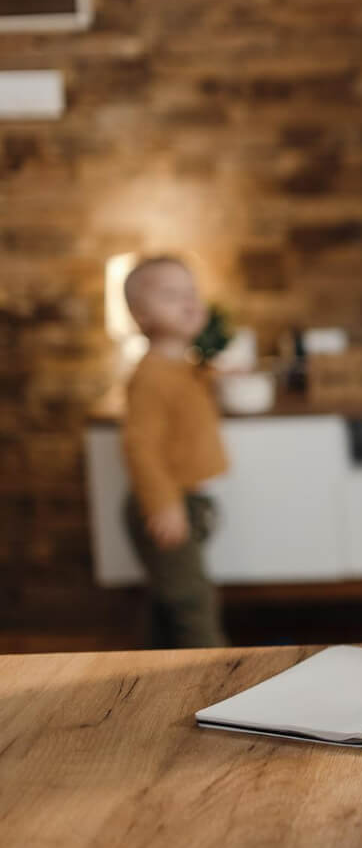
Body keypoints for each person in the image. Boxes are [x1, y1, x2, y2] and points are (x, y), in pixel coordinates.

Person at [120, 256, 230, 648]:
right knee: (192, 602)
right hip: (168, 502)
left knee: (171, 597)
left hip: (188, 501)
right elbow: (140, 447)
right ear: (140, 315)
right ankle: (214, 678)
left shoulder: (182, 365)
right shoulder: (150, 376)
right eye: (171, 296)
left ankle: (154, 676)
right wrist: (164, 504)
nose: (189, 303)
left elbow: (190, 396)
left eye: (192, 293)